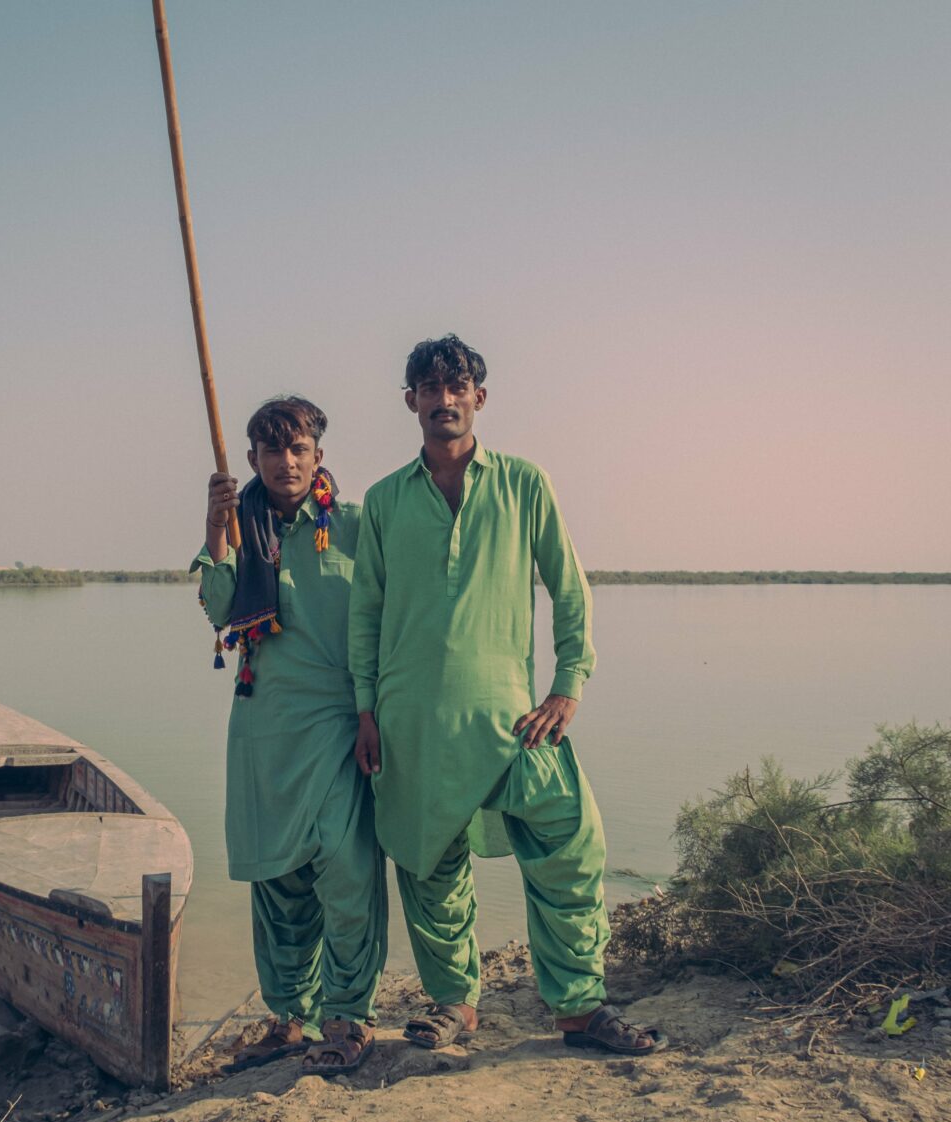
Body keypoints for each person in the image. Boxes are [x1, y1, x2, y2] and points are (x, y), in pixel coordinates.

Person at [348, 336, 664, 1056]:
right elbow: (364, 613)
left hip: (514, 719)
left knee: (571, 846)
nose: (443, 399)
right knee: (430, 868)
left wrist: (567, 687)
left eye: (456, 387)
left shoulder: (524, 485)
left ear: (479, 399)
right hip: (412, 721)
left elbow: (569, 589)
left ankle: (580, 1007)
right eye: (429, 388)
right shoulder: (386, 502)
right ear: (411, 403)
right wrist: (366, 710)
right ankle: (454, 1004)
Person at [193, 395, 387, 1076]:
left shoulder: (359, 526)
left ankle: (348, 1016)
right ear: (252, 460)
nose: (286, 461)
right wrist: (217, 529)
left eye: (299, 447)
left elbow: (395, 613)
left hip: (339, 725)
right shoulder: (241, 528)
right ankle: (290, 1018)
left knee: (346, 866)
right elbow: (219, 610)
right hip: (264, 728)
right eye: (272, 450)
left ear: (318, 456)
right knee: (277, 880)